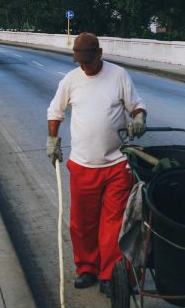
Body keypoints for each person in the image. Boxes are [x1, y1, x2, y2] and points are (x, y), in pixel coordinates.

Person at [46, 32, 147, 296]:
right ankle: (86, 268)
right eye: (80, 61)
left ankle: (109, 274)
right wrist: (52, 139)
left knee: (113, 223)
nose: (84, 66)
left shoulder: (118, 75)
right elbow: (55, 111)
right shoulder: (71, 79)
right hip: (82, 164)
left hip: (116, 163)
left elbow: (136, 106)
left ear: (99, 54)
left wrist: (138, 118)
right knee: (82, 223)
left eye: (88, 61)